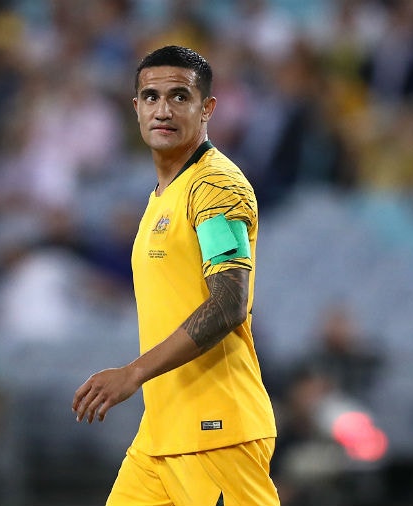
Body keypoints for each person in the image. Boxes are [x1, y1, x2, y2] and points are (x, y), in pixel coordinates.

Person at [72, 45, 280, 505]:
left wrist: (134, 373)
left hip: (215, 432)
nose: (162, 110)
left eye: (179, 97)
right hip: (161, 435)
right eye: (150, 97)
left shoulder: (217, 187)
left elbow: (230, 302)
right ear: (135, 108)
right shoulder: (162, 195)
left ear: (207, 108)